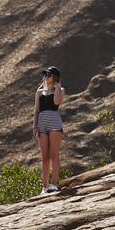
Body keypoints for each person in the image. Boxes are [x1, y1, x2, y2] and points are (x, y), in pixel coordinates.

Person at [33, 66, 65, 194]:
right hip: (42, 123)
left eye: (49, 75)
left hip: (54, 123)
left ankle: (54, 184)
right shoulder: (39, 92)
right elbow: (36, 110)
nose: (47, 77)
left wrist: (57, 87)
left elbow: (57, 102)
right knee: (44, 157)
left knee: (54, 154)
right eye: (46, 74)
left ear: (55, 77)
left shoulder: (61, 90)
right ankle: (44, 187)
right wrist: (34, 126)